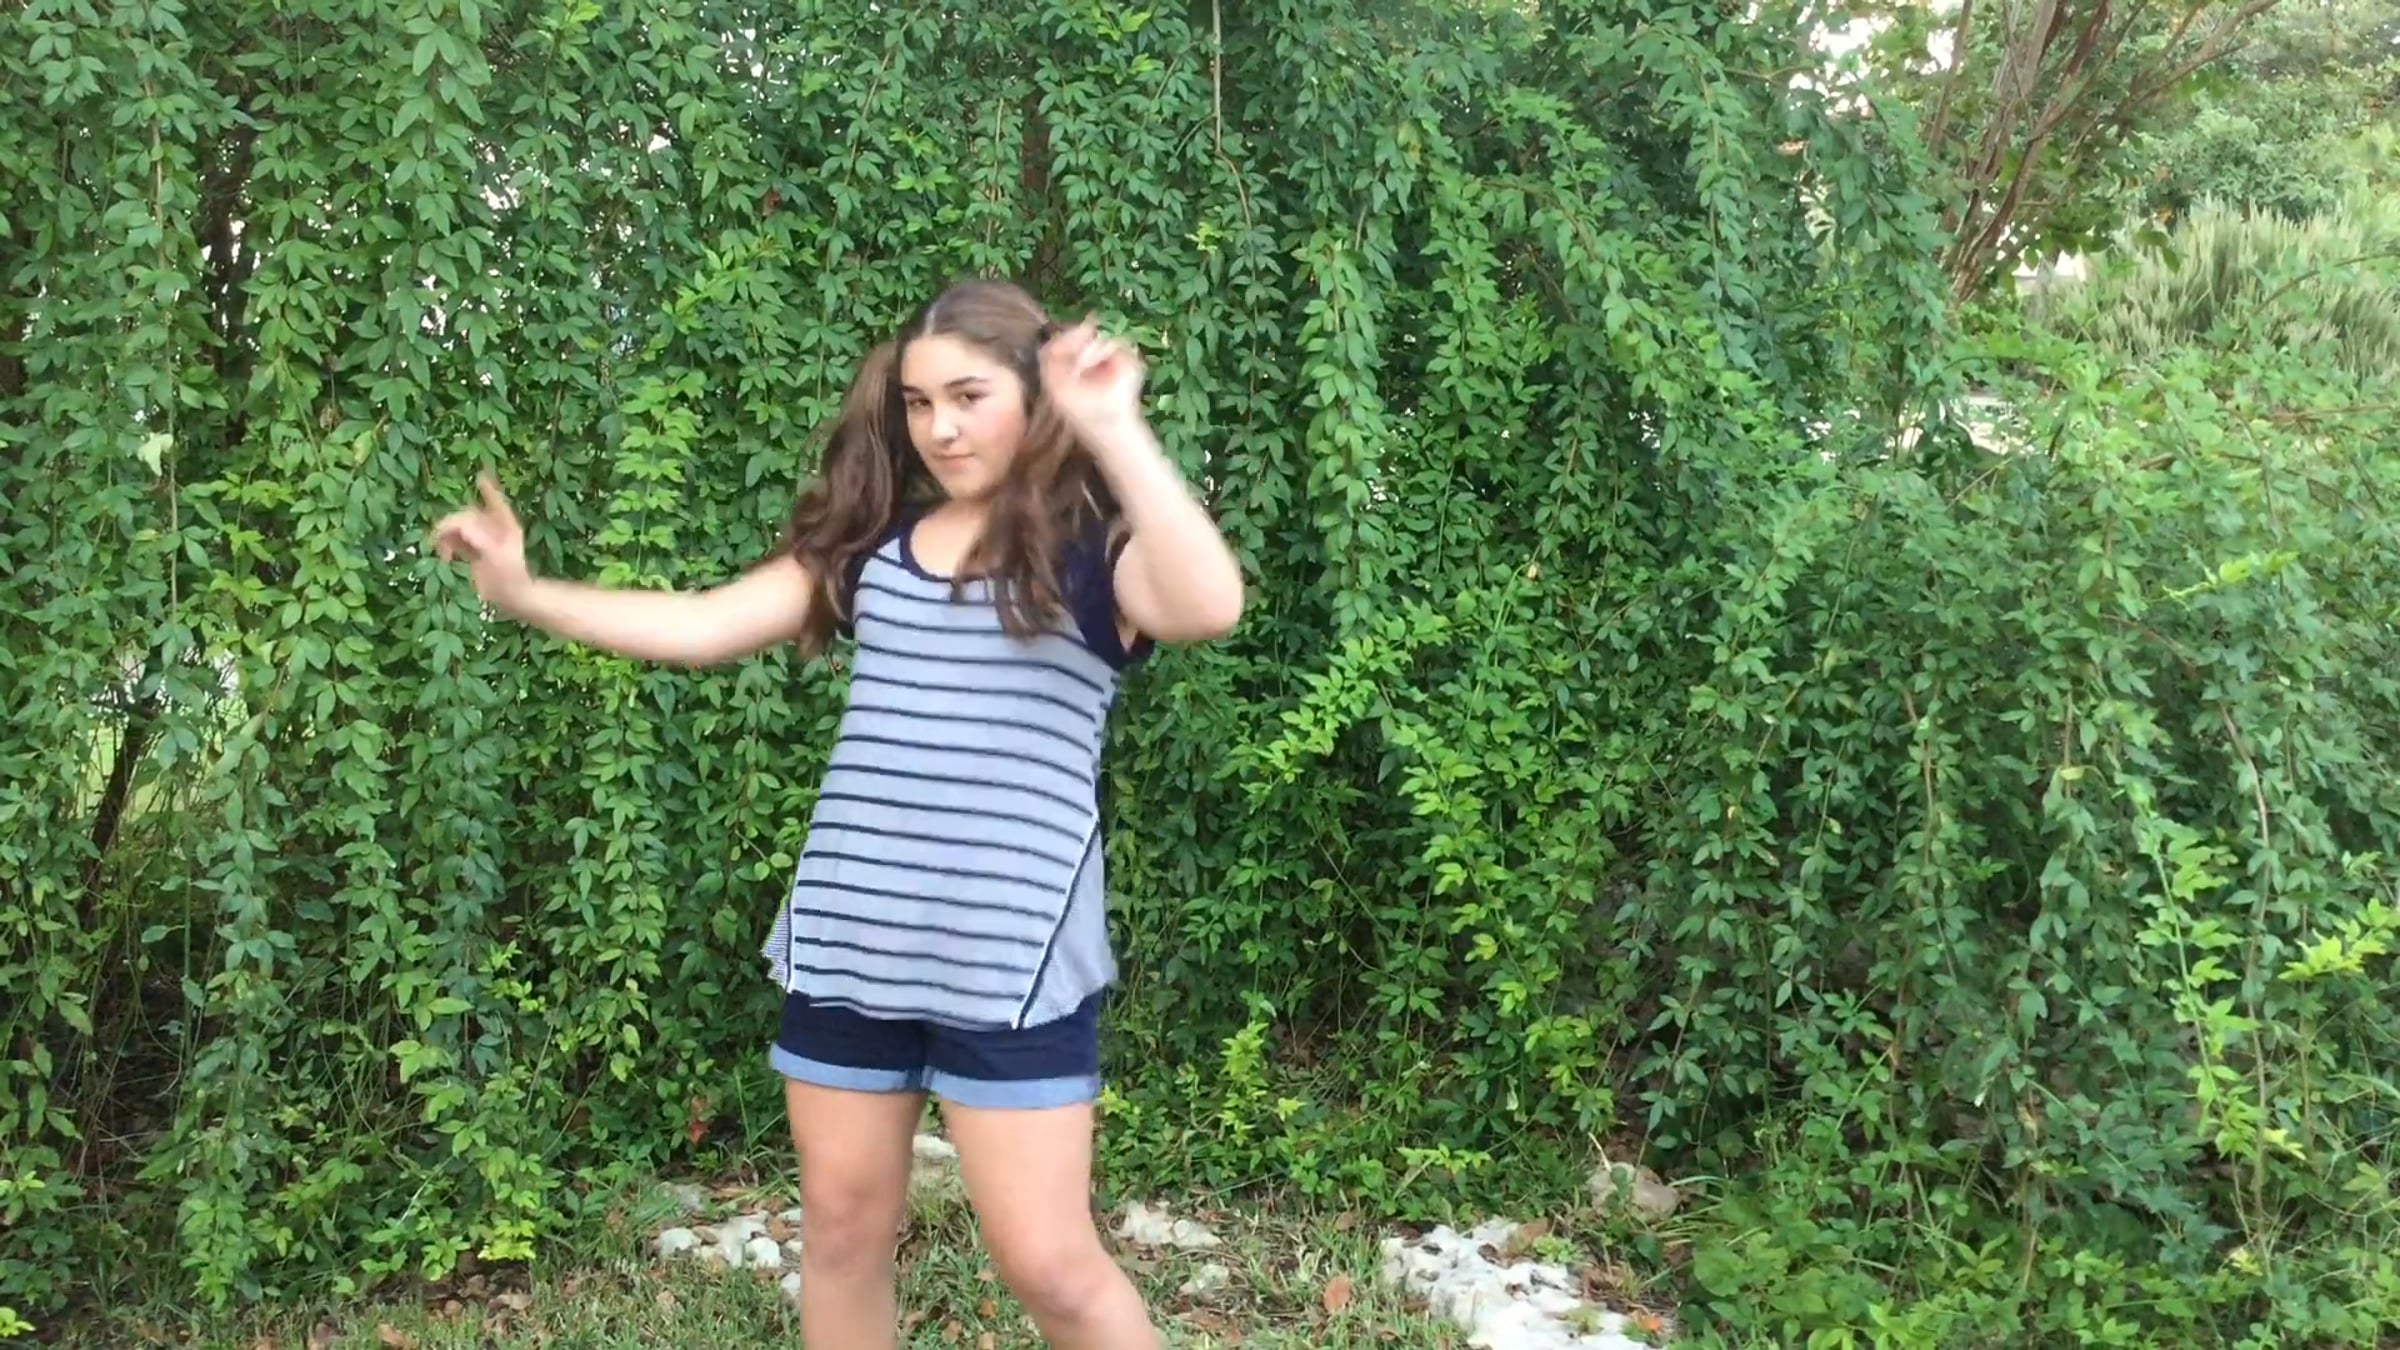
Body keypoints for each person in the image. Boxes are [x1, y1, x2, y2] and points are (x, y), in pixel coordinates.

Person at [431, 278, 1244, 1349]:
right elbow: (700, 625)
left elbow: (1211, 603)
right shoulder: (870, 557)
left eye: (969, 396)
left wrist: (1112, 425)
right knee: (843, 1235)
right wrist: (524, 592)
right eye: (919, 403)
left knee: (1050, 1267)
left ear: (1033, 396)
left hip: (1010, 969)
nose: (941, 427)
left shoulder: (1094, 560)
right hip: (850, 950)